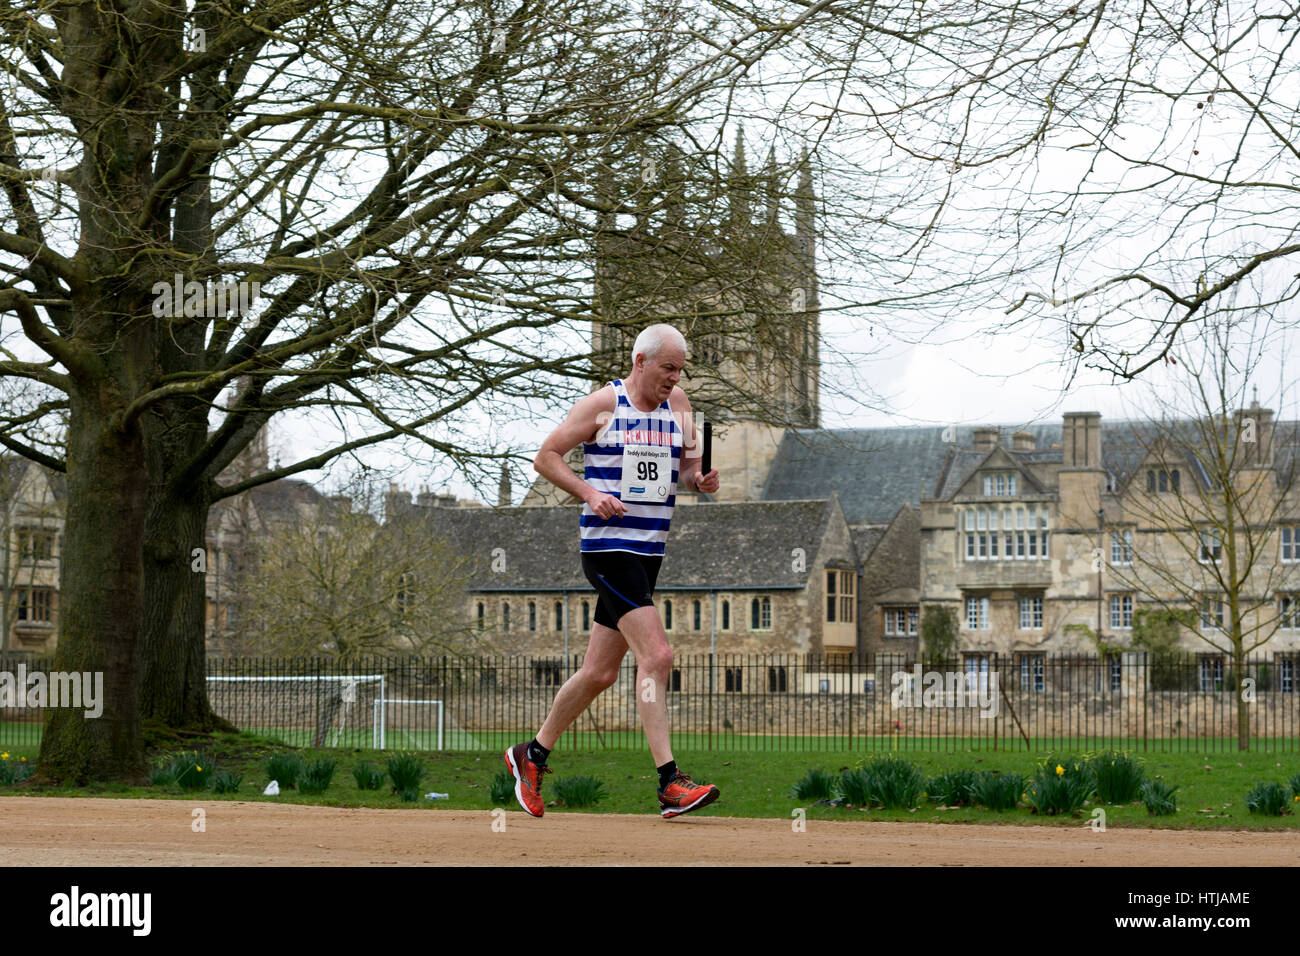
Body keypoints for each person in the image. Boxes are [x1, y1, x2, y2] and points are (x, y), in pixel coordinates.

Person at [504, 323, 721, 819]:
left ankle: (530, 755)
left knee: (599, 672)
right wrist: (590, 494)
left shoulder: (680, 407)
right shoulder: (602, 406)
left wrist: (700, 479)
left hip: (649, 552)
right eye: (668, 367)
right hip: (607, 548)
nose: (674, 377)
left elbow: (688, 469)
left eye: (680, 369)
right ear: (640, 362)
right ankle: (670, 782)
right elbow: (546, 457)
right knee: (658, 655)